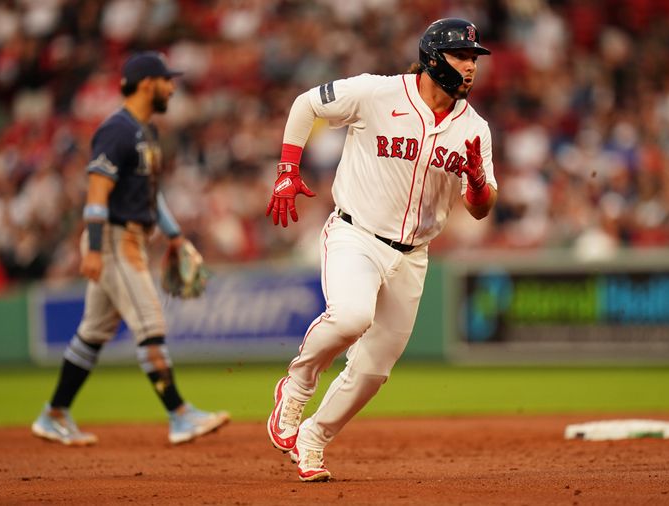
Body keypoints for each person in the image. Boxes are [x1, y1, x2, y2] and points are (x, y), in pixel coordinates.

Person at [265, 18, 497, 481]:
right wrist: (288, 169)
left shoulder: (475, 127)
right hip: (357, 234)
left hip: (413, 255)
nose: (470, 66)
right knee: (352, 317)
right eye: (462, 56)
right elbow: (305, 104)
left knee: (372, 372)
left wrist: (474, 182)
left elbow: (481, 208)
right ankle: (296, 386)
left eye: (474, 58)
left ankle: (313, 439)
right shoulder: (377, 93)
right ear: (434, 57)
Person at [32, 51, 229, 446]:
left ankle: (54, 414)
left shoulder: (147, 132)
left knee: (94, 331)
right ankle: (179, 414)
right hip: (114, 240)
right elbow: (96, 192)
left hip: (135, 237)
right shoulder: (116, 130)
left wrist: (174, 235)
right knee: (150, 323)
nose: (172, 86)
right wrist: (91, 247)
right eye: (166, 80)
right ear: (146, 83)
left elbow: (151, 196)